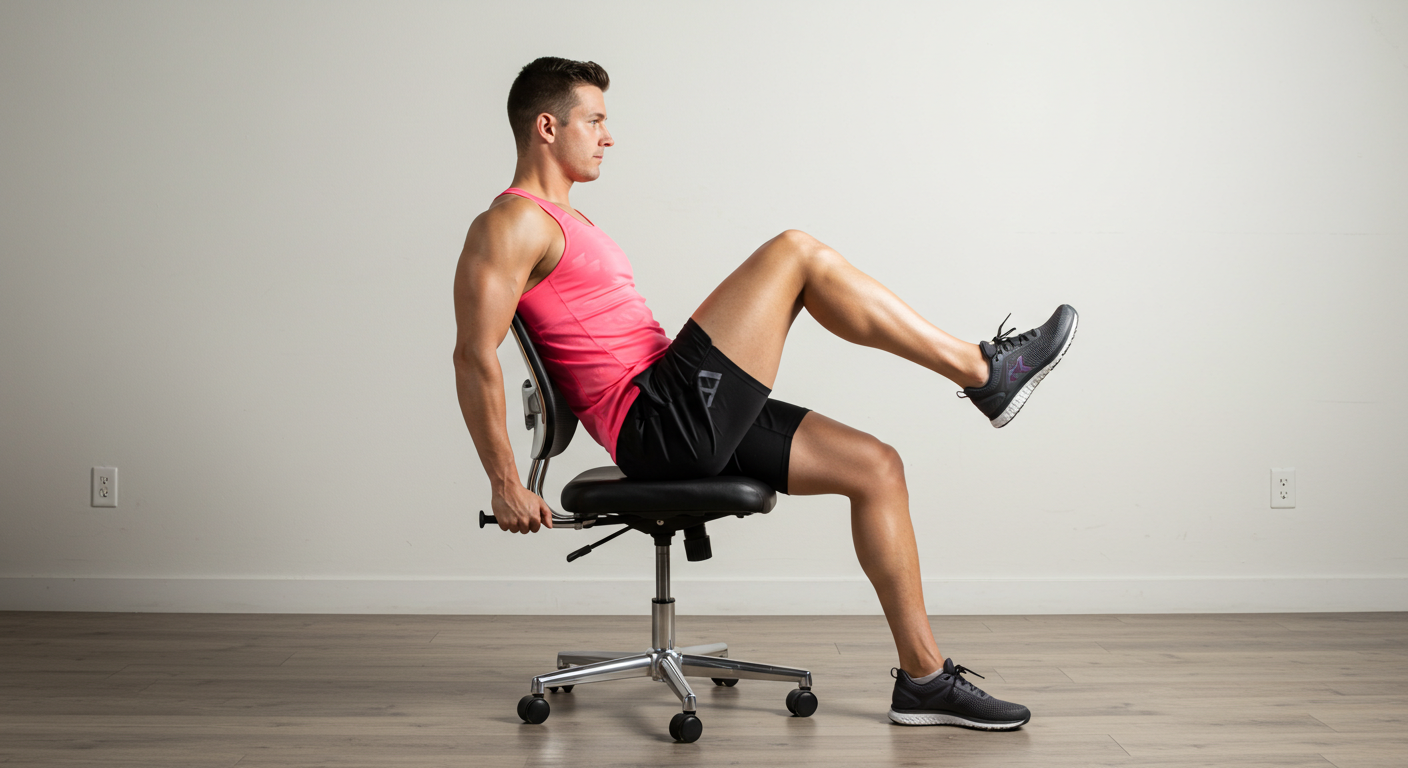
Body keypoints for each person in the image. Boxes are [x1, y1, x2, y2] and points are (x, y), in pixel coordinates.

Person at [452, 57, 1078, 731]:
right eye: (595, 120)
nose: (609, 136)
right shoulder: (511, 223)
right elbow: (472, 353)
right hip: (657, 419)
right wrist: (504, 482)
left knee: (876, 467)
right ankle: (981, 372)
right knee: (794, 252)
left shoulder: (569, 221)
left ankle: (924, 681)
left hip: (678, 407)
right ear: (548, 127)